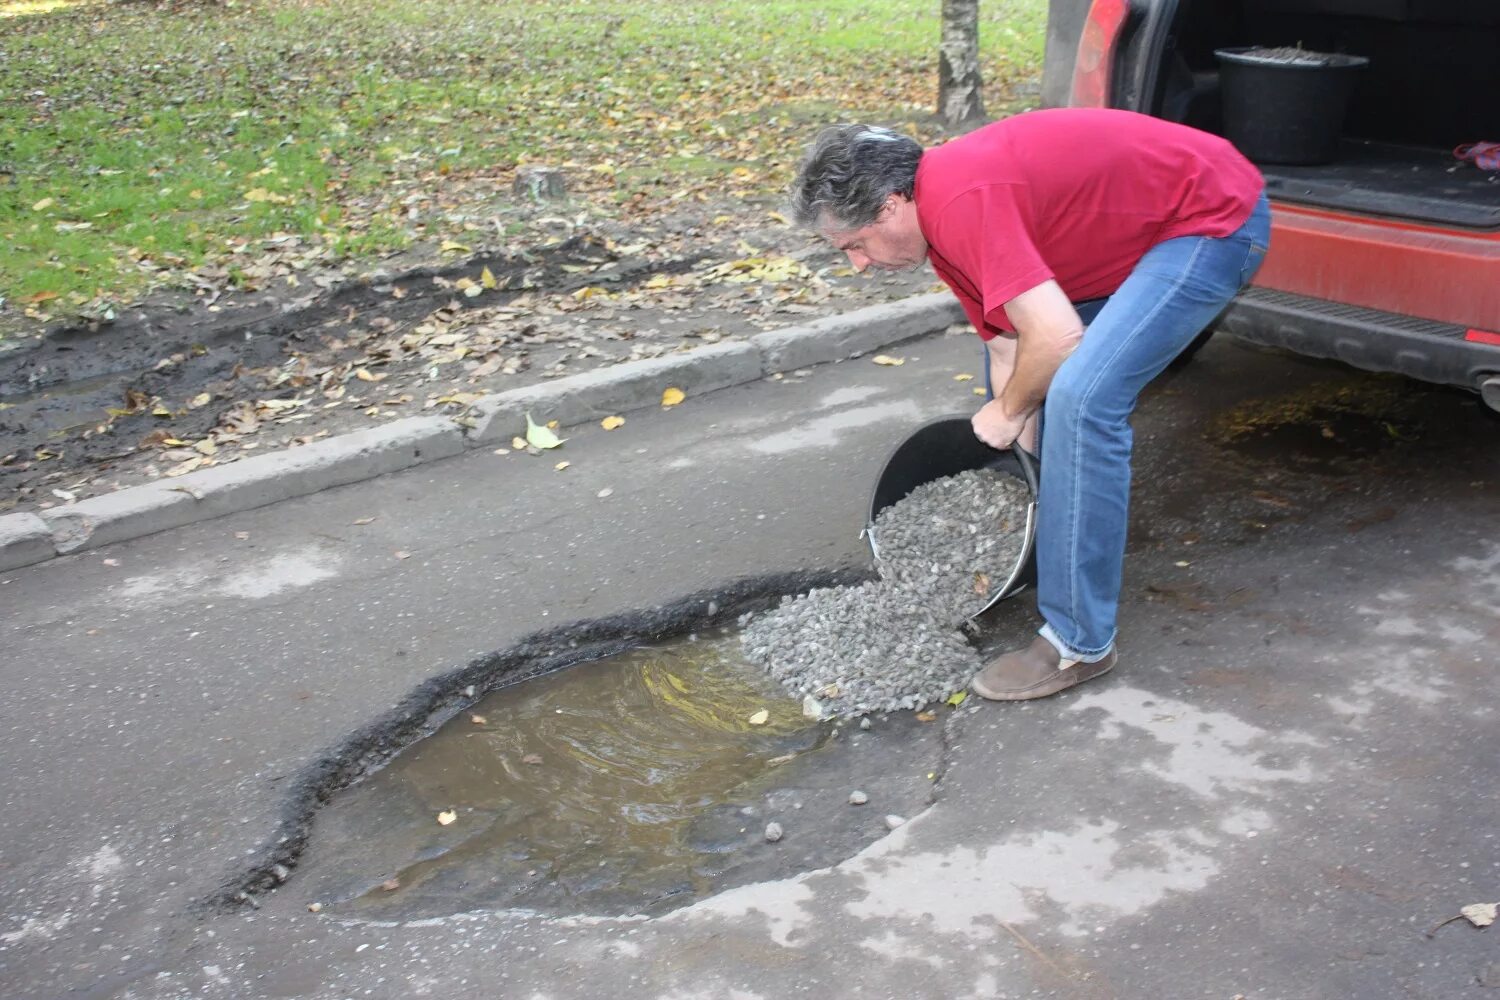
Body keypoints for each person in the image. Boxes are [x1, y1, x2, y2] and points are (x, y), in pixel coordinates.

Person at [790, 107, 1270, 701]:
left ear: (890, 206)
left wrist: (1010, 412)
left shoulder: (961, 200)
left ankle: (1079, 643)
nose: (857, 265)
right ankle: (1044, 550)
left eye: (854, 245)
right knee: (1029, 392)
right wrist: (1014, 460)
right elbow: (1008, 350)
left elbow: (1058, 338)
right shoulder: (944, 238)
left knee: (1083, 399)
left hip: (1211, 217)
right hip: (1141, 235)